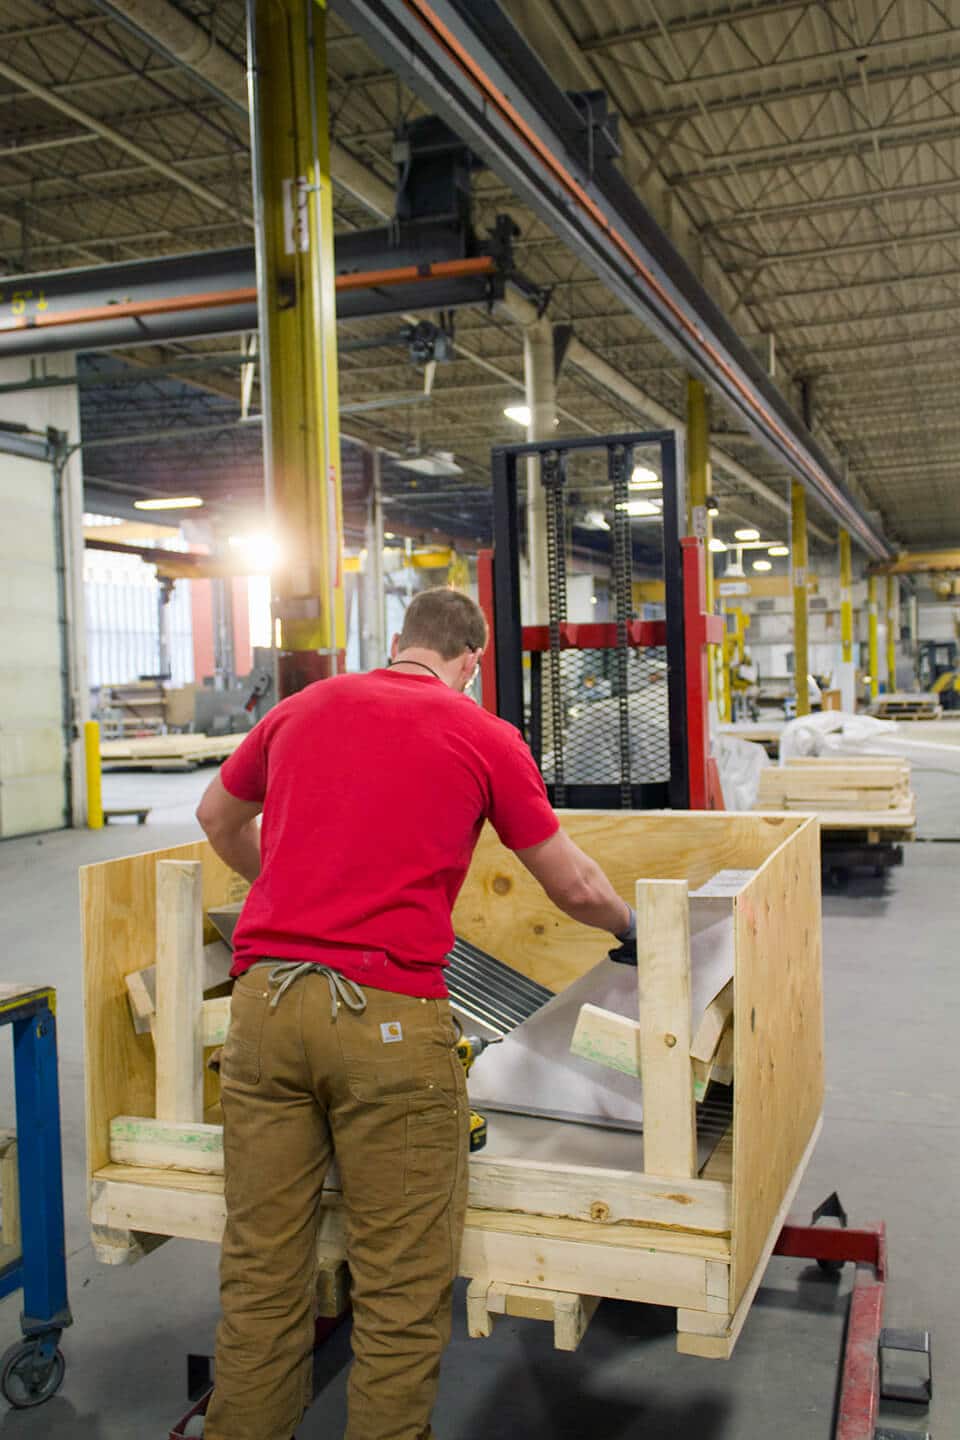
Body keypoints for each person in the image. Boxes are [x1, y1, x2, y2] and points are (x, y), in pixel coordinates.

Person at [195, 586, 636, 1440]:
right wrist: (629, 930)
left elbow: (216, 816)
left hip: (263, 1007)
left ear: (399, 641)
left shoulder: (300, 708)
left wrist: (289, 891)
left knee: (260, 1274)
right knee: (400, 1287)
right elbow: (570, 882)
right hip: (387, 1025)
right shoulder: (480, 734)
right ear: (470, 661)